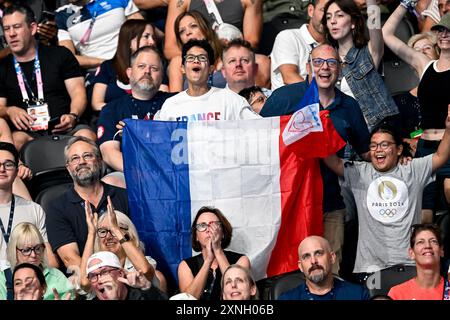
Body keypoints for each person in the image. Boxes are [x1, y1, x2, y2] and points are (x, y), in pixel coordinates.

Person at [260, 44, 370, 273]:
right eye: (319, 62)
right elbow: (257, 142)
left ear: (339, 69)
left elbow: (367, 153)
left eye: (331, 62)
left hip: (329, 204)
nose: (325, 68)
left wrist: (397, 155)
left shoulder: (349, 107)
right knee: (290, 270)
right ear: (308, 66)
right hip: (288, 205)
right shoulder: (284, 98)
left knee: (331, 271)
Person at [323, 106, 450, 275]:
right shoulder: (360, 172)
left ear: (398, 149)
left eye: (384, 144)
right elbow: (334, 162)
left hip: (410, 263)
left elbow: (440, 156)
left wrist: (448, 130)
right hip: (371, 267)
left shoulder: (413, 169)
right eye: (374, 146)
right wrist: (318, 131)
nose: (378, 150)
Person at [0, 4, 96, 151]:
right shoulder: (2, 67)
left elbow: (78, 92)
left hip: (64, 126)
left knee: (86, 136)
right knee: (13, 142)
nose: (11, 34)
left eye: (17, 27)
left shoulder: (60, 54)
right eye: (7, 29)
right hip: (27, 132)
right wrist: (9, 110)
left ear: (32, 28)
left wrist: (73, 115)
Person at [384, 9, 450, 216]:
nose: (444, 34)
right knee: (424, 214)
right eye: (441, 30)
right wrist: (405, 4)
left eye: (449, 30)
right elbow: (386, 34)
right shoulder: (425, 65)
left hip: (449, 145)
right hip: (424, 148)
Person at [45, 136, 128, 270]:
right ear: (68, 168)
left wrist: (119, 273)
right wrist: (102, 276)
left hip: (126, 269)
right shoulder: (57, 208)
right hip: (87, 277)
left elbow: (136, 242)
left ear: (99, 161)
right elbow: (70, 259)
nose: (81, 162)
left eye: (87, 156)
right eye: (75, 158)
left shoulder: (123, 196)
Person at [97, 46, 175, 174]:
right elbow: (109, 154)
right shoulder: (111, 109)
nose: (147, 71)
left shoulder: (176, 102)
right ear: (129, 72)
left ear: (162, 77)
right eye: (141, 66)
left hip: (172, 172)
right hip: (132, 174)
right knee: (110, 181)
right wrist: (141, 173)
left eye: (154, 68)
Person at [322, 0, 399, 130]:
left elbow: (374, 23)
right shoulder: (326, 62)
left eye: (339, 15)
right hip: (344, 136)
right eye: (329, 17)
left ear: (353, 23)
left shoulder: (369, 52)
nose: (333, 21)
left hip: (375, 132)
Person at [154, 39, 260, 121]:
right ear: (182, 68)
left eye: (202, 58)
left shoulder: (231, 100)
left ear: (211, 69)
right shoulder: (170, 105)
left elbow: (260, 129)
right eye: (190, 58)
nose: (196, 61)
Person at [79, 196, 167, 292]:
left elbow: (145, 271)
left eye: (113, 231)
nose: (108, 237)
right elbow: (84, 282)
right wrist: (92, 233)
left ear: (129, 235)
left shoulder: (145, 262)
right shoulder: (95, 267)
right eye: (103, 231)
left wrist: (116, 229)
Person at [0, 142, 57, 271]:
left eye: (8, 164)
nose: (2, 169)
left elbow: (50, 260)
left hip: (29, 281)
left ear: (16, 171)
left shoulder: (34, 209)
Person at [177, 206, 251, 300]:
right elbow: (187, 301)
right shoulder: (185, 266)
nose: (208, 230)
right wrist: (208, 261)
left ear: (223, 233)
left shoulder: (241, 260)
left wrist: (218, 251)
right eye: (202, 226)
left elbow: (237, 292)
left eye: (214, 225)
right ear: (196, 236)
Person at [91, 19, 159, 112]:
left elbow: (162, 101)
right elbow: (96, 103)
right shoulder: (107, 66)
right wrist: (123, 112)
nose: (152, 42)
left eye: (153, 37)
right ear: (129, 40)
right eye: (146, 36)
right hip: (112, 119)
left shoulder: (158, 65)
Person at [55, 0, 142, 72]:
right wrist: (106, 63)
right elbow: (68, 57)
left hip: (131, 63)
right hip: (97, 71)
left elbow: (142, 32)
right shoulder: (62, 14)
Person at [278, 236, 370, 300]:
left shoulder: (358, 294)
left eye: (318, 253)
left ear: (332, 258)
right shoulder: (286, 298)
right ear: (300, 266)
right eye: (306, 256)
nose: (313, 261)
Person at [2, 222, 74, 300]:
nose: (33, 255)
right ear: (15, 251)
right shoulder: (3, 279)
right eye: (26, 250)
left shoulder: (56, 277)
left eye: (38, 248)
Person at [270, 0, 327, 90]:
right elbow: (289, 77)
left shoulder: (337, 44)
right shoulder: (288, 36)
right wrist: (321, 97)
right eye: (324, 10)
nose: (328, 17)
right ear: (311, 11)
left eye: (333, 12)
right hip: (292, 101)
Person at [388, 223, 446, 300]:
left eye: (433, 241)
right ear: (412, 253)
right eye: (420, 242)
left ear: (441, 251)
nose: (427, 246)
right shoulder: (397, 294)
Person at [86, 251, 167, 300]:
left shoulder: (141, 296)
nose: (99, 280)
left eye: (104, 272)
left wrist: (147, 287)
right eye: (93, 276)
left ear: (120, 273)